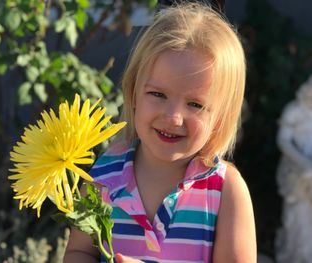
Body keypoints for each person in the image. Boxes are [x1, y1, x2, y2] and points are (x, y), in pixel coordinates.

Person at [64, 2, 256, 262]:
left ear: (221, 116)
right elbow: (79, 251)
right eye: (158, 94)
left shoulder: (224, 192)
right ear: (133, 93)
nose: (173, 117)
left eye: (195, 104)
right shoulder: (103, 176)